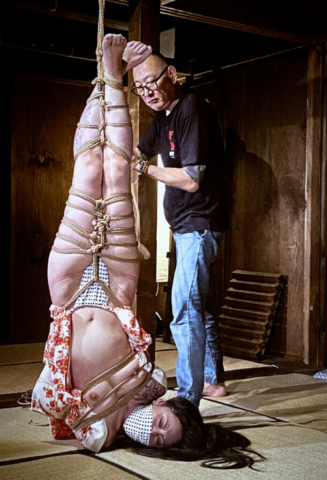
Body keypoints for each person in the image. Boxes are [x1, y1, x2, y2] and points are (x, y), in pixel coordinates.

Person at [30, 34, 188, 453]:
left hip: (69, 293)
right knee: (117, 171)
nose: (151, 429)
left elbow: (43, 395)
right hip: (118, 290)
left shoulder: (94, 433)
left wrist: (93, 403)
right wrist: (140, 394)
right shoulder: (152, 387)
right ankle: (113, 77)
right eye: (162, 424)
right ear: (168, 407)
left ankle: (106, 74)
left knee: (86, 171)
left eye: (156, 438)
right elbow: (159, 383)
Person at [131, 53, 229, 408]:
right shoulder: (164, 117)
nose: (147, 92)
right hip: (185, 226)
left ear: (172, 74)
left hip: (200, 224)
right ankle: (213, 382)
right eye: (139, 87)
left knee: (184, 307)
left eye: (151, 82)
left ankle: (187, 399)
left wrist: (144, 169)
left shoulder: (192, 110)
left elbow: (190, 180)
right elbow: (136, 152)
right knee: (197, 305)